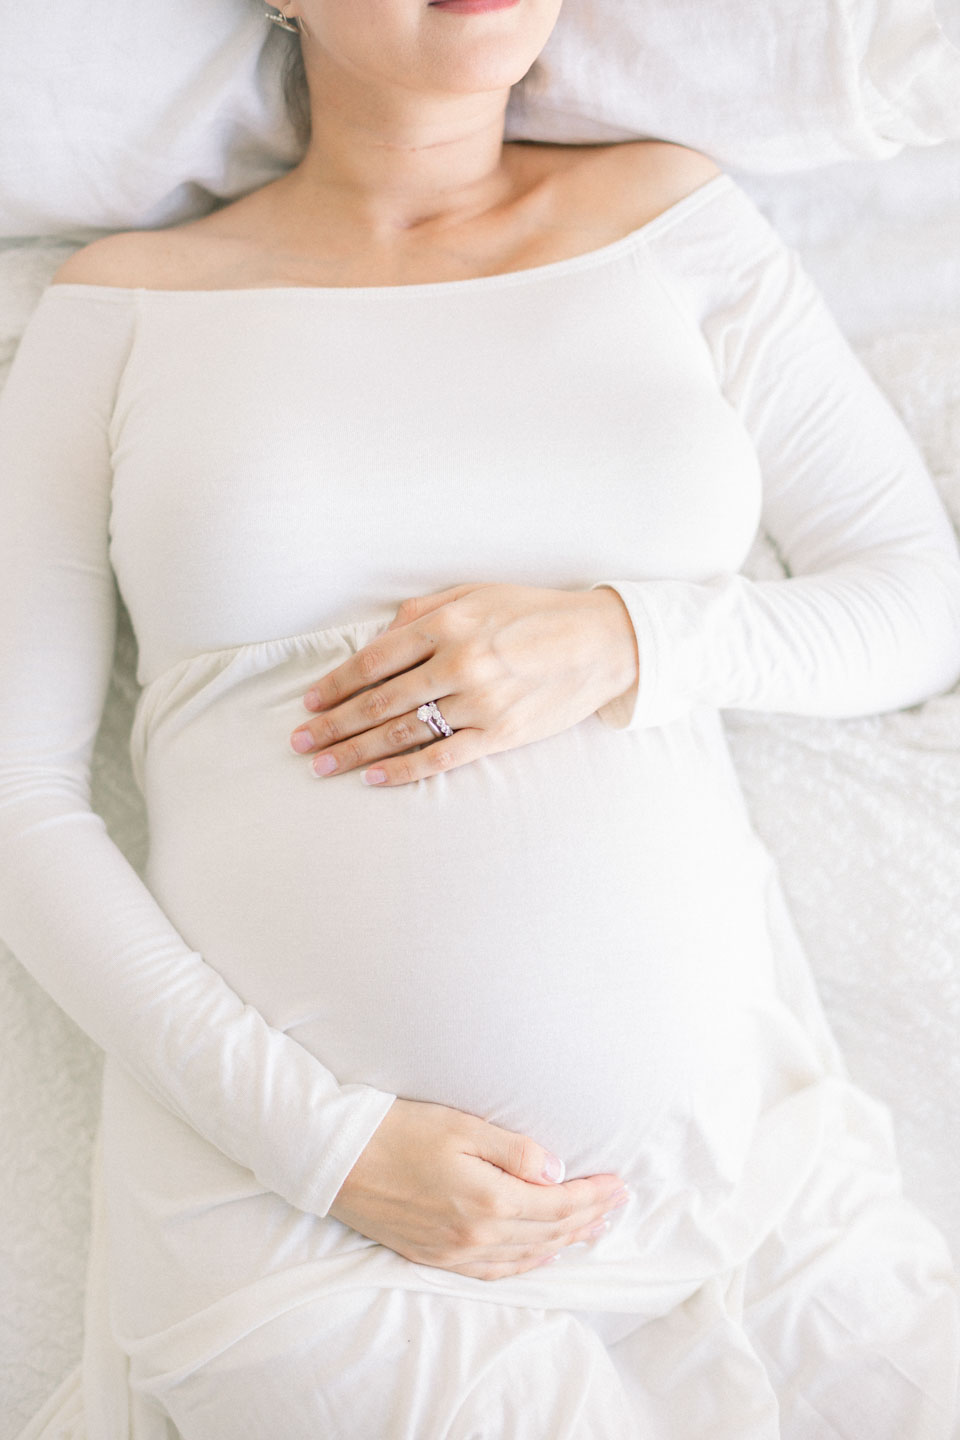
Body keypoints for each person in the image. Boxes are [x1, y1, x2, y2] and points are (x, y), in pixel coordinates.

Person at [2, 1, 960, 1436]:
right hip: (315, 1244)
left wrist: (626, 636)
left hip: (757, 1196)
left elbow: (915, 600)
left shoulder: (672, 215)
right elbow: (18, 795)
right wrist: (327, 1151)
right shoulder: (126, 303)